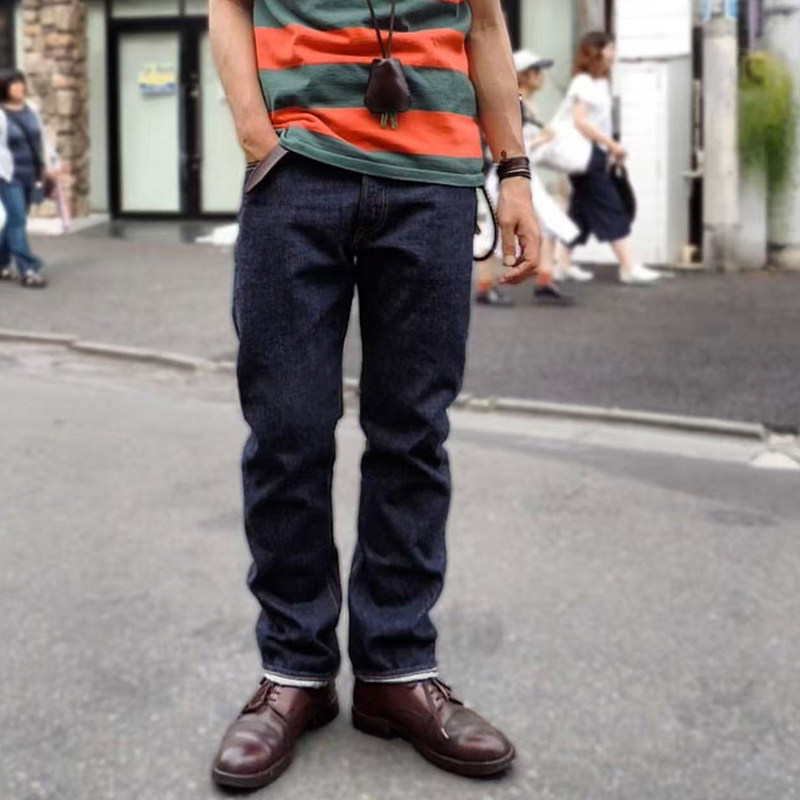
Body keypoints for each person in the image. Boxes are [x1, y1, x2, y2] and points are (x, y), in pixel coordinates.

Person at [208, 0, 541, 790]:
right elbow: (229, 5)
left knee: (412, 435)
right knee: (286, 433)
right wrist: (258, 136)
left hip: (434, 183)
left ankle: (396, 669)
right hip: (296, 172)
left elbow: (485, 23)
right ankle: (295, 670)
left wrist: (515, 173)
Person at [562, 32, 661, 285]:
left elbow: (601, 123)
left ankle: (562, 263)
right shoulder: (582, 82)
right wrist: (611, 145)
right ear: (595, 52)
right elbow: (580, 121)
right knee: (610, 205)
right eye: (609, 49)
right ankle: (628, 266)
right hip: (586, 155)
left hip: (595, 154)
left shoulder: (601, 83)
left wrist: (609, 151)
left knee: (581, 212)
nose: (613, 54)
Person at [0, 70, 48, 288]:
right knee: (18, 219)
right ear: (4, 88)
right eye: (14, 84)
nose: (20, 87)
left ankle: (1, 263)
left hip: (31, 174)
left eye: (21, 83)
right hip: (8, 175)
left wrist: (49, 165)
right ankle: (28, 270)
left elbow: (41, 138)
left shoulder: (31, 109)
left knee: (14, 220)